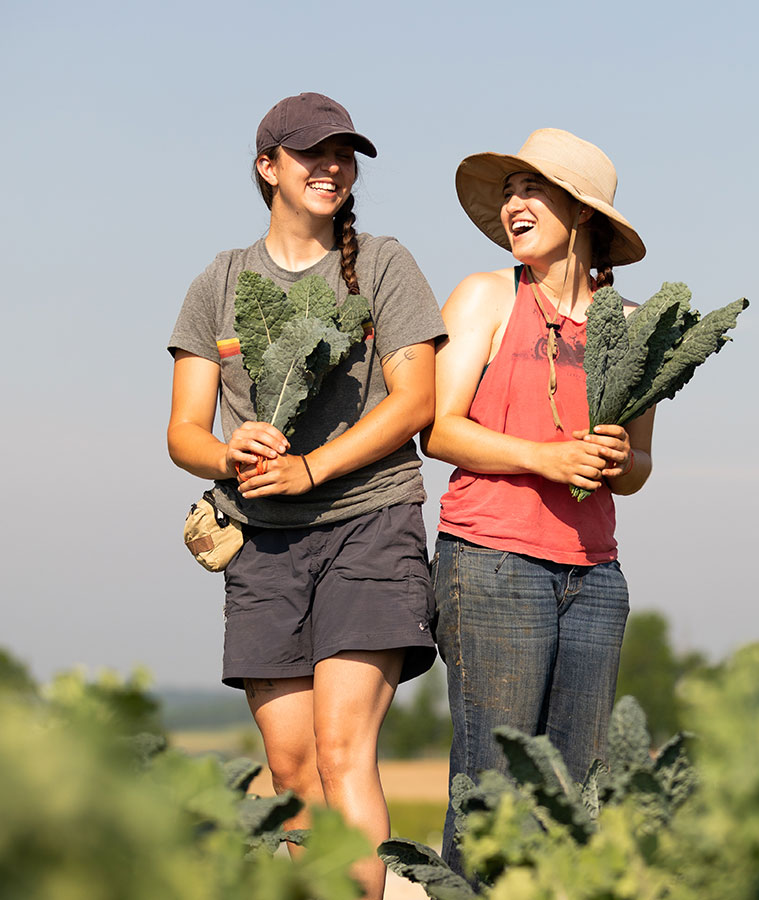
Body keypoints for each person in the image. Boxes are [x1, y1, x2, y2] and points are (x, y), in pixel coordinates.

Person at [167, 92, 445, 900]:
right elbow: (184, 430)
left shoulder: (386, 264)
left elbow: (414, 401)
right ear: (268, 168)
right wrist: (231, 449)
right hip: (262, 543)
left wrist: (314, 468)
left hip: (369, 524)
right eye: (312, 154)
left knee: (339, 748)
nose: (332, 168)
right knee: (290, 770)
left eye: (343, 155)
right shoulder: (218, 282)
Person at [422, 129, 656, 872]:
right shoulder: (486, 296)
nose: (513, 203)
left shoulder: (634, 326)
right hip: (492, 564)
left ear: (582, 212)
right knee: (493, 794)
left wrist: (620, 461)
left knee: (576, 798)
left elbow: (643, 465)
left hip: (595, 578)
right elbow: (440, 428)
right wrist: (546, 459)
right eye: (510, 190)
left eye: (533, 189)